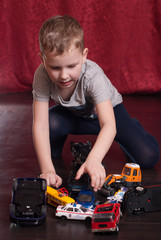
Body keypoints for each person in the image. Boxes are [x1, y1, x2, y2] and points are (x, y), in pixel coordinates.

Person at [32, 15, 160, 192]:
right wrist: (47, 170)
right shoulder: (41, 75)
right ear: (42, 59)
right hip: (75, 115)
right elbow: (40, 125)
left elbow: (108, 124)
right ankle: (55, 149)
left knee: (148, 157)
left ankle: (132, 126)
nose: (63, 75)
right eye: (55, 67)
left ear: (84, 56)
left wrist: (93, 159)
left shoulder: (93, 76)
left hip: (108, 116)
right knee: (50, 124)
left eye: (71, 66)